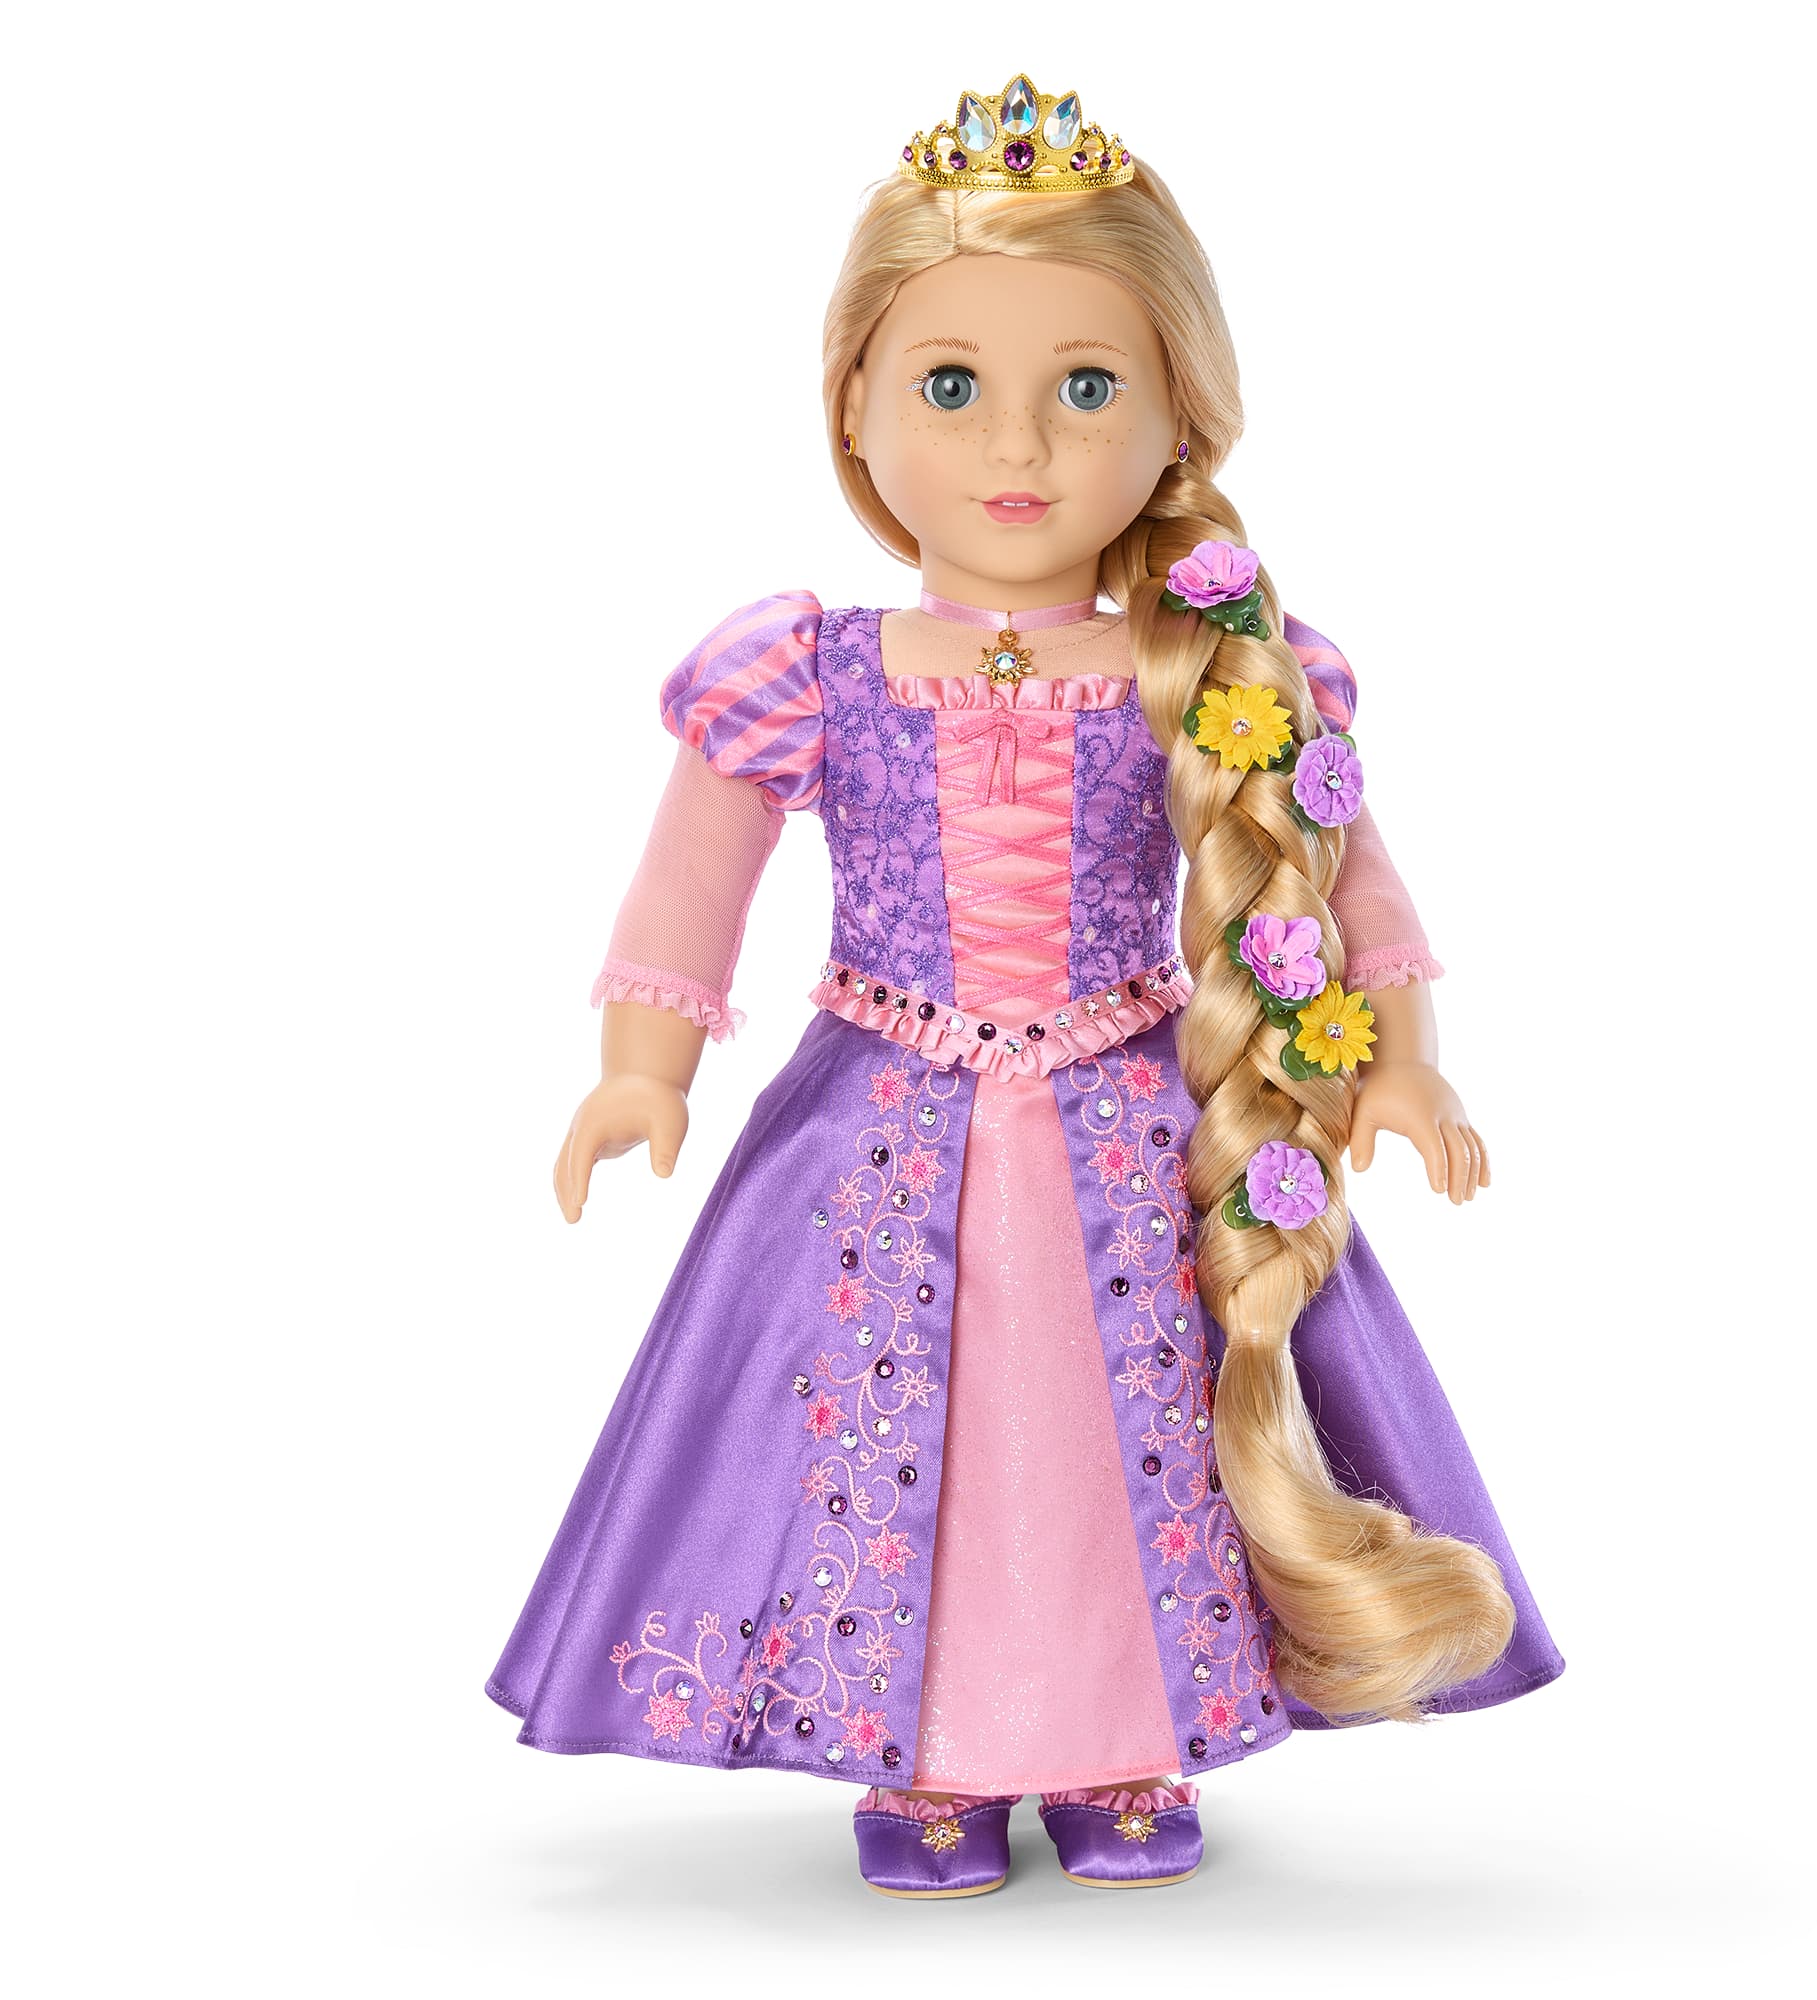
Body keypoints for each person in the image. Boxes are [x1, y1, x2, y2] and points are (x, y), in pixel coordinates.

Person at [489, 72, 1562, 1901]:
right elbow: (693, 879)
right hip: (871, 1124)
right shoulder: (808, 667)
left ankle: (1126, 1738)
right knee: (896, 1424)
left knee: (1119, 1429)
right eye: (949, 385)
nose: (1020, 444)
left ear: (1177, 415)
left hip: (1142, 1114)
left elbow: (1336, 876)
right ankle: (926, 1758)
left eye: (1085, 387)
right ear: (854, 405)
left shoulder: (1211, 668)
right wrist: (640, 1064)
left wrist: (1400, 1062)